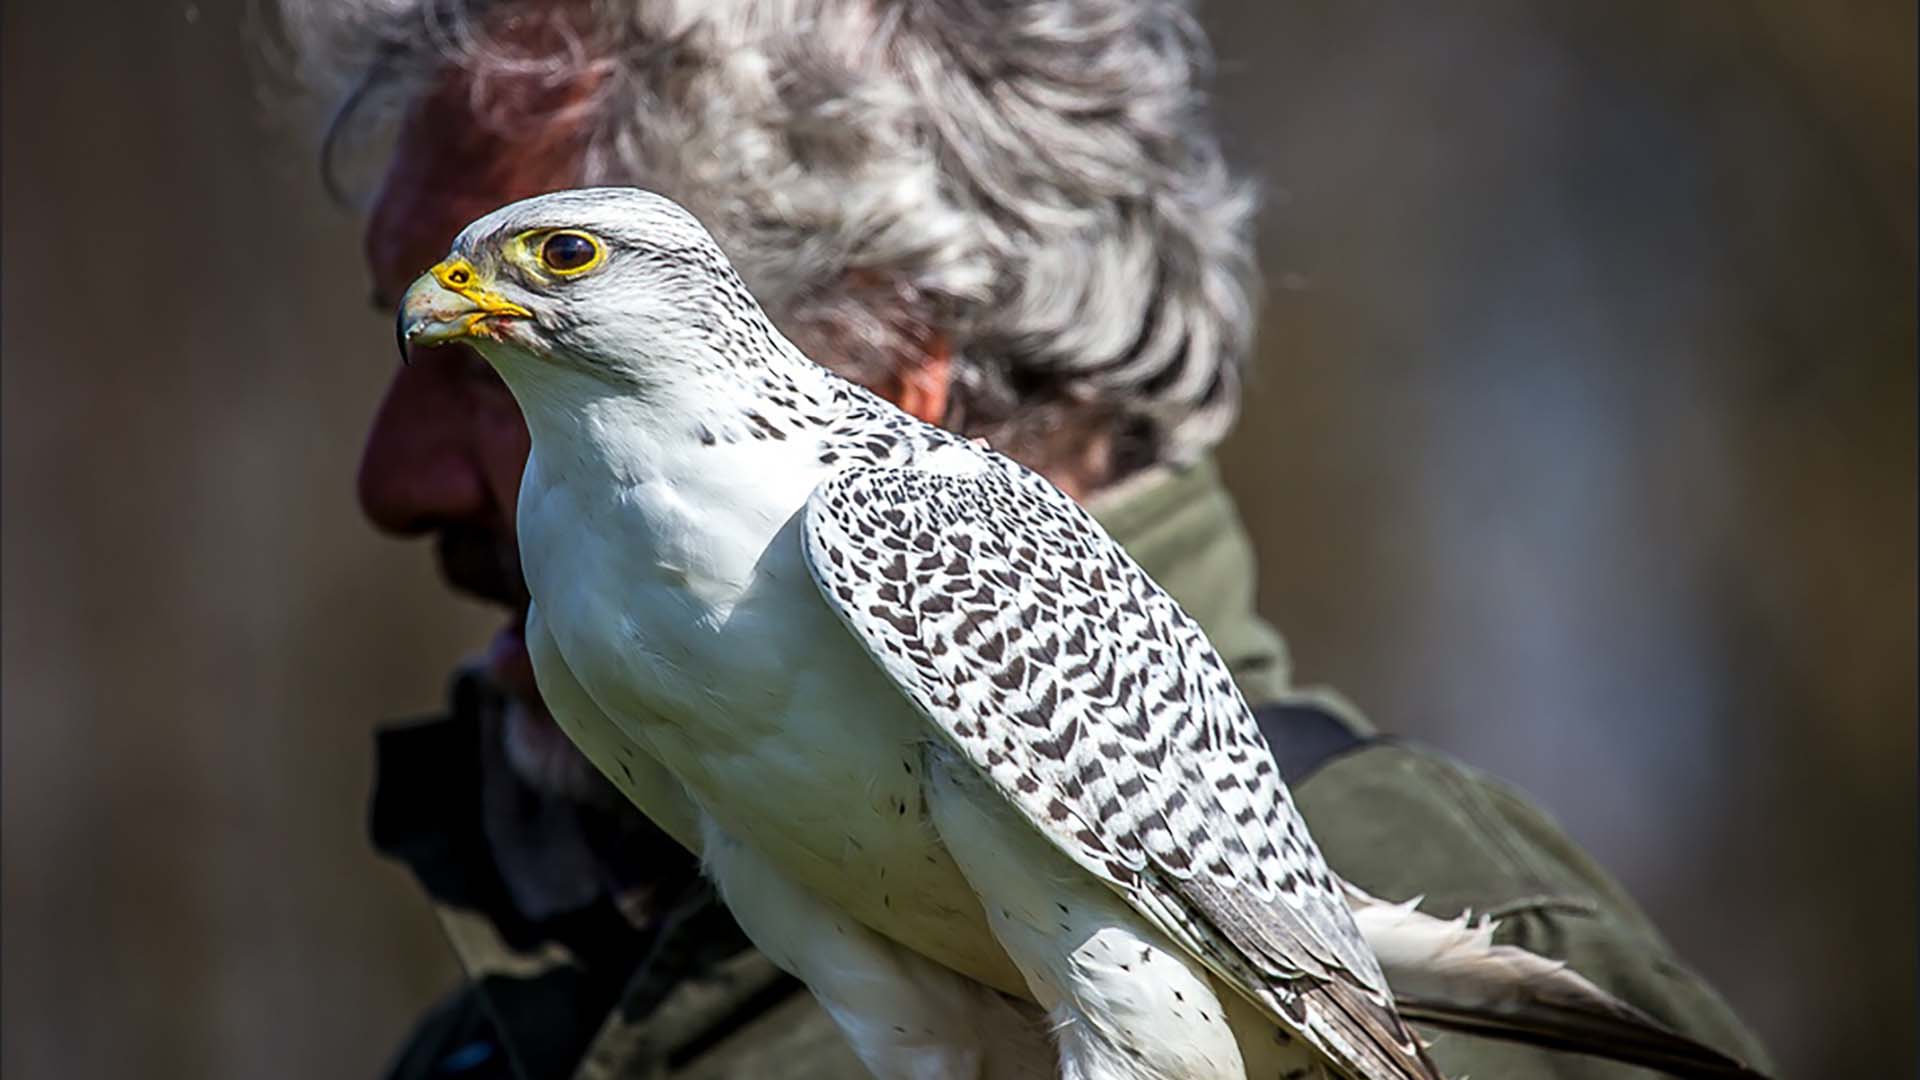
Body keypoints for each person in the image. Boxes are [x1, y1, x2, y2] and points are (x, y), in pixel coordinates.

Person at [282, 2, 1770, 1077]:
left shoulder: (898, 530)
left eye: (552, 257)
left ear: (888, 358)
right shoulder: (569, 773)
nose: (388, 477)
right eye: (434, 308)